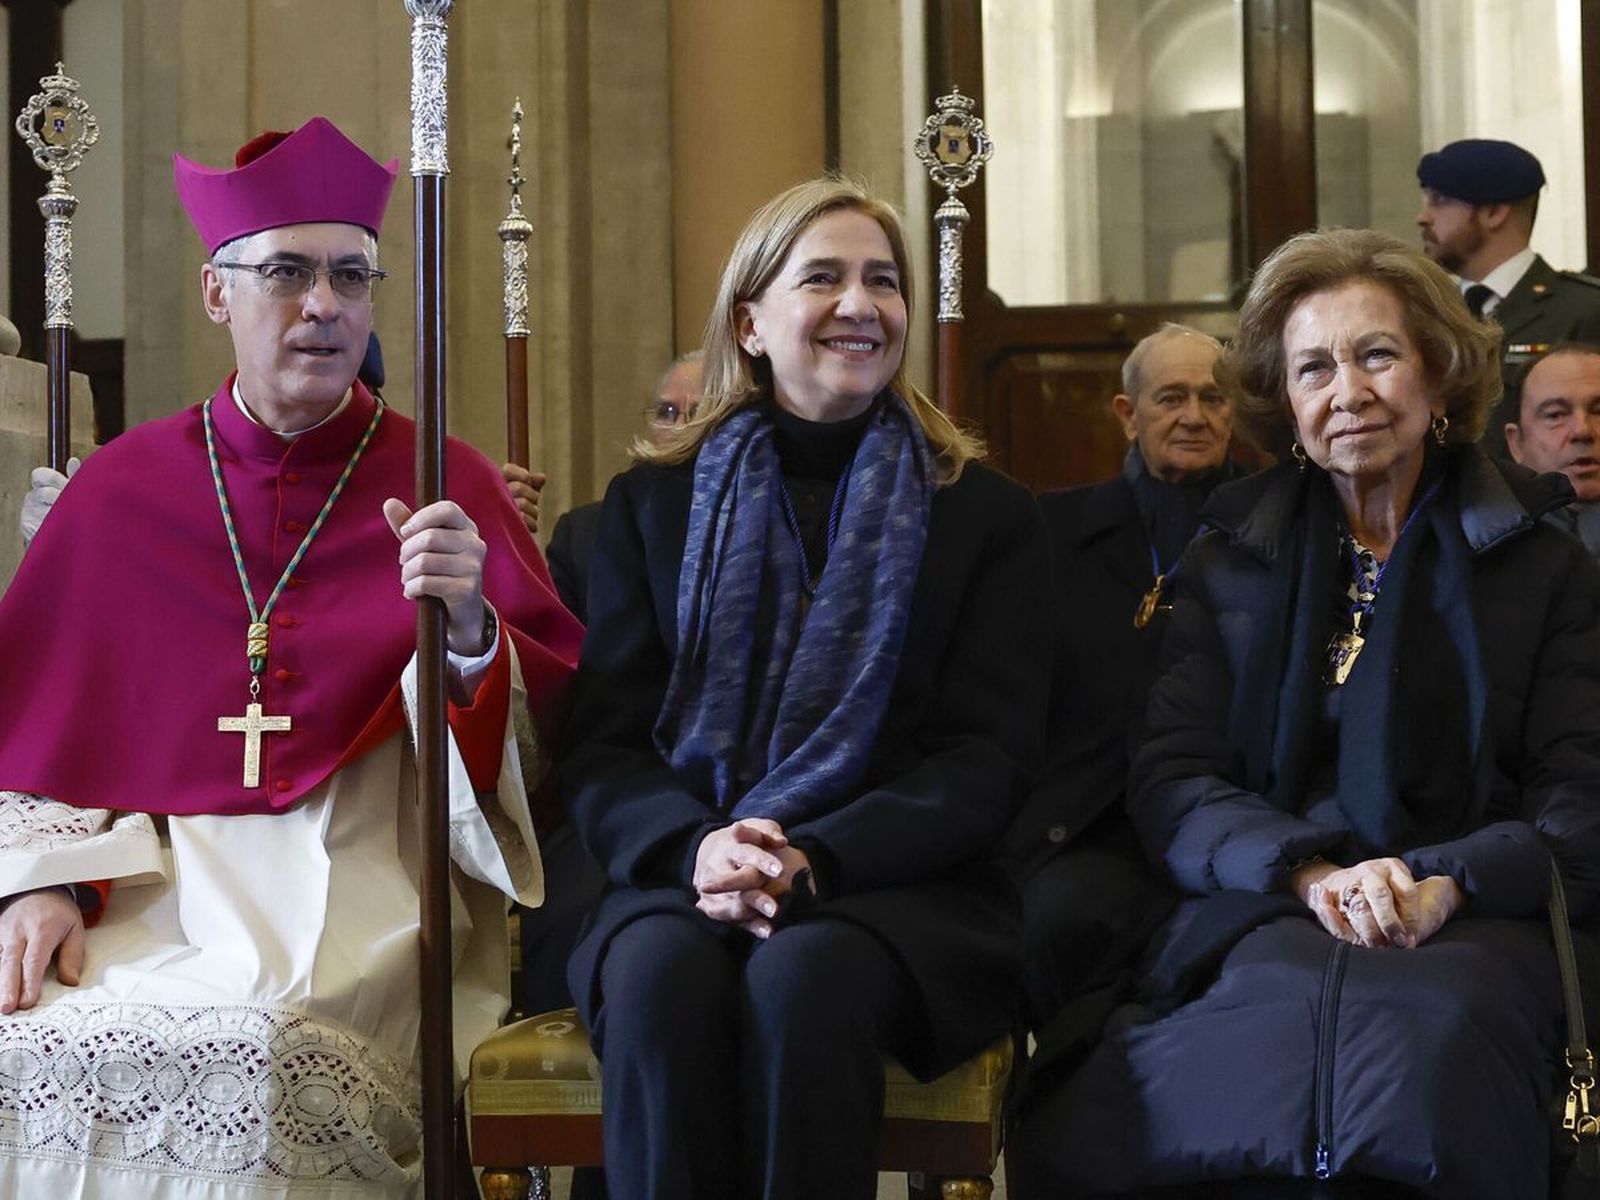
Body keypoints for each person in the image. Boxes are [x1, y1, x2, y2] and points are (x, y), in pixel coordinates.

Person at [0, 116, 583, 1198]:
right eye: (287, 273)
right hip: (147, 883)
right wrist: (43, 888)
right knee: (27, 1053)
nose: (323, 305)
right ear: (220, 294)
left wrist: (465, 630)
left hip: (361, 873)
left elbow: (544, 750)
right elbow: (43, 731)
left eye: (350, 276)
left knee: (261, 1062)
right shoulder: (124, 491)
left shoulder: (445, 477)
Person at [1009, 227, 1600, 1199]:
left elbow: (1578, 798)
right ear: (1283, 402)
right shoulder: (1229, 560)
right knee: (1205, 1068)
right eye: (1313, 367)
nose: (1348, 391)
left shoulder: (1542, 566)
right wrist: (1312, 875)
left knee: (1424, 1057)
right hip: (1270, 903)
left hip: (1480, 916)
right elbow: (1172, 780)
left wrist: (1441, 879)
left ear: (1439, 376)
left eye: (1376, 354)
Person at [561, 177, 1051, 1200]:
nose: (860, 305)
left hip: (899, 886)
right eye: (822, 277)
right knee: (657, 980)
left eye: (882, 281)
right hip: (682, 866)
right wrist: (700, 847)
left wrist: (812, 857)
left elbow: (984, 758)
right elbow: (605, 747)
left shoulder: (983, 517)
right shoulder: (650, 508)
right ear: (750, 320)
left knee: (804, 977)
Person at [1004, 323, 1242, 1037]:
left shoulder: (1276, 530)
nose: (1194, 417)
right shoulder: (1051, 530)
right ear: (1127, 414)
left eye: (1214, 398)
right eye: (1171, 398)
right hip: (1090, 825)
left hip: (1229, 817)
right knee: (1054, 925)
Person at [1416, 137, 1600, 457]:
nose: (1424, 217)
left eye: (1440, 200)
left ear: (1494, 212)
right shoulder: (1431, 314)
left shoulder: (1584, 310)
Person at [1506, 342, 1600, 557]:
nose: (1582, 431)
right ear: (1516, 443)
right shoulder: (1485, 553)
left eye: (1599, 411)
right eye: (1555, 415)